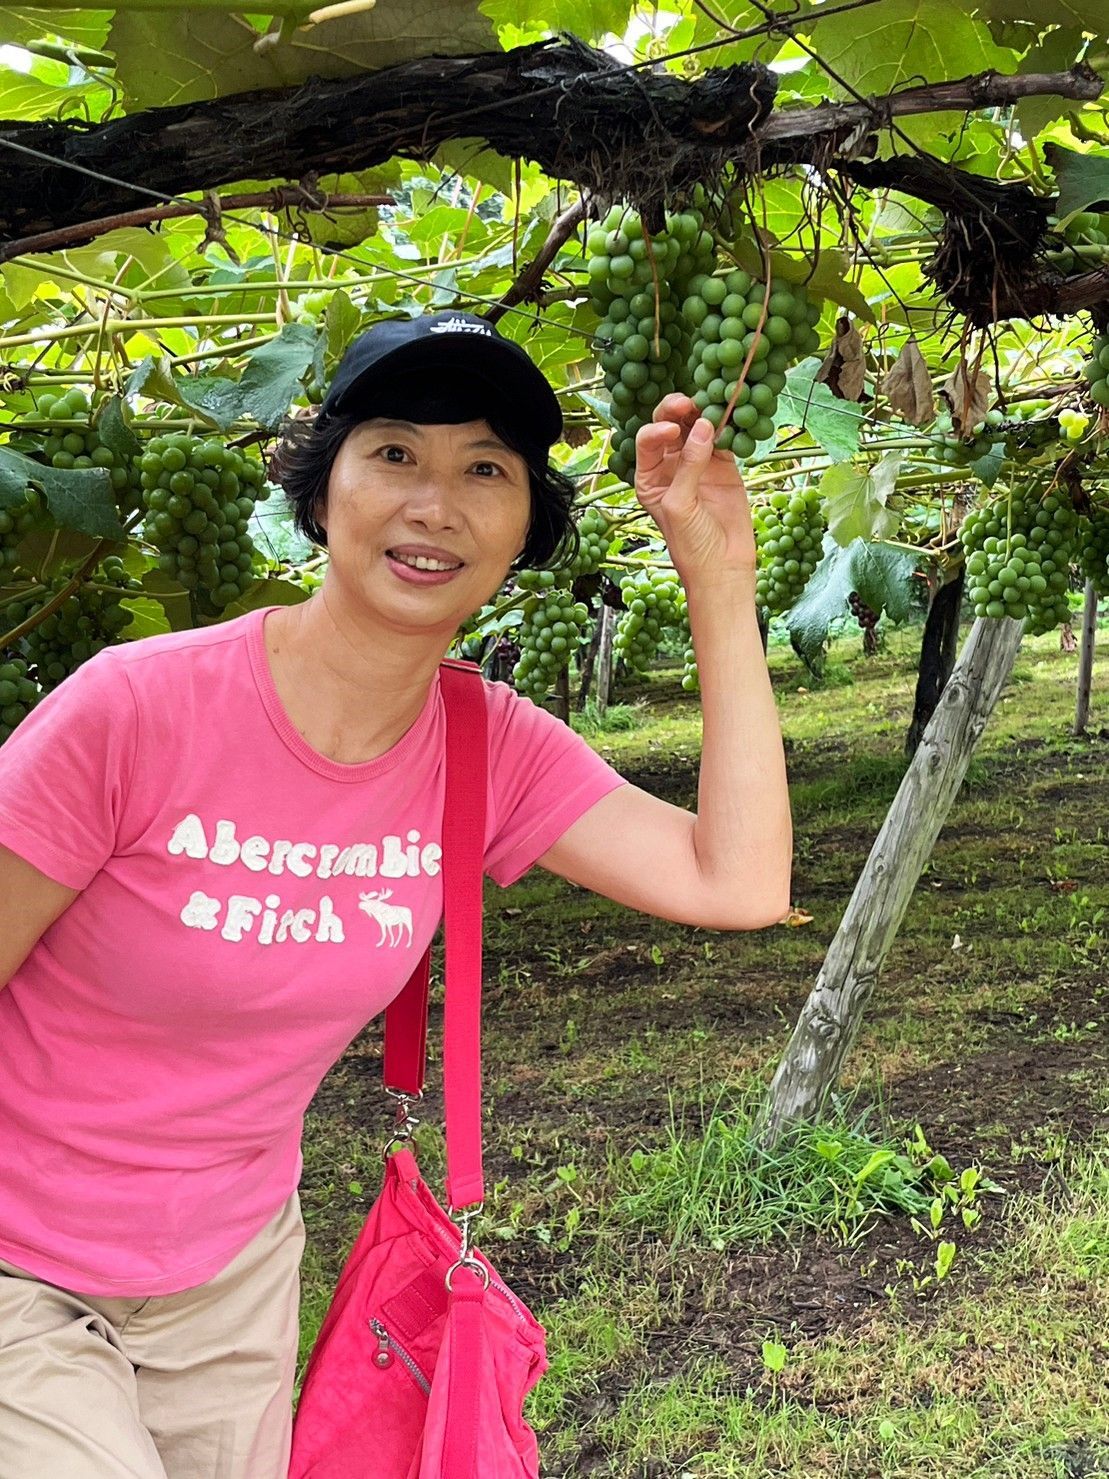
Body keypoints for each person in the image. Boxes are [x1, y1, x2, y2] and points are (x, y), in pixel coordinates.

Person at [0, 308, 792, 1477]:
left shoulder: (487, 744)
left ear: (523, 528)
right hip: (18, 1262)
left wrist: (717, 577)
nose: (435, 504)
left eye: (485, 469)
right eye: (394, 453)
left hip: (226, 1281)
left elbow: (738, 882)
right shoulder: (136, 709)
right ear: (321, 493)